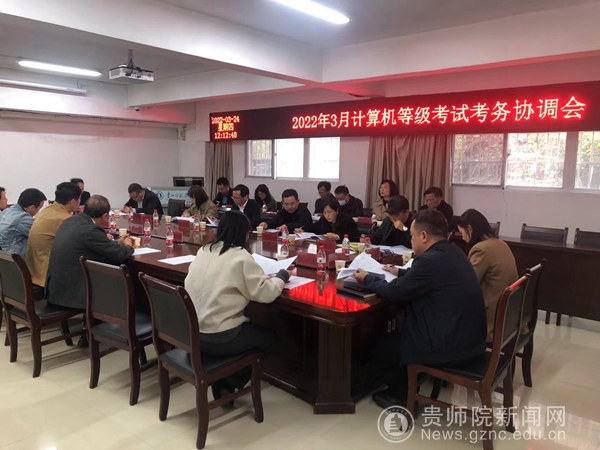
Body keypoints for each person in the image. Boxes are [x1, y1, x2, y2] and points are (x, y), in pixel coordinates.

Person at [353, 209, 487, 408]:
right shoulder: (453, 251)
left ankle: (401, 396)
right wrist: (400, 272)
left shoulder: (428, 261)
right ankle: (405, 384)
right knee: (398, 329)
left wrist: (367, 278)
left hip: (450, 346)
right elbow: (430, 277)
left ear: (424, 236)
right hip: (471, 339)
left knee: (381, 344)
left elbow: (395, 292)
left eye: (412, 235)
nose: (411, 240)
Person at [185, 211, 289, 405]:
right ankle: (228, 380)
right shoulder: (240, 257)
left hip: (193, 334)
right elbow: (267, 293)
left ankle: (223, 380)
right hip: (220, 337)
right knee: (270, 340)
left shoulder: (204, 250)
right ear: (244, 233)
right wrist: (281, 277)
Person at [46, 195, 134, 311]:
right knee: (121, 281)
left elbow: (92, 245)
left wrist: (115, 243)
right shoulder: (90, 229)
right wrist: (128, 245)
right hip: (73, 294)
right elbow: (119, 255)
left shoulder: (70, 221)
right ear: (105, 216)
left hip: (57, 290)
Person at [458, 209, 518, 341]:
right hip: (509, 315)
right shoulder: (500, 243)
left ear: (470, 229)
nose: (462, 238)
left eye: (462, 233)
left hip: (491, 319)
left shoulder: (481, 249)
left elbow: (468, 284)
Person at [25, 182, 82, 296]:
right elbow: (79, 242)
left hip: (32, 270)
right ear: (72, 201)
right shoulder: (63, 218)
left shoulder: (48, 210)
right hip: (47, 276)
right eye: (79, 199)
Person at [0, 188, 46, 257]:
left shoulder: (7, 211)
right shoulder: (23, 218)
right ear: (32, 207)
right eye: (39, 208)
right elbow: (42, 236)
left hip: (4, 256)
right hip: (15, 259)